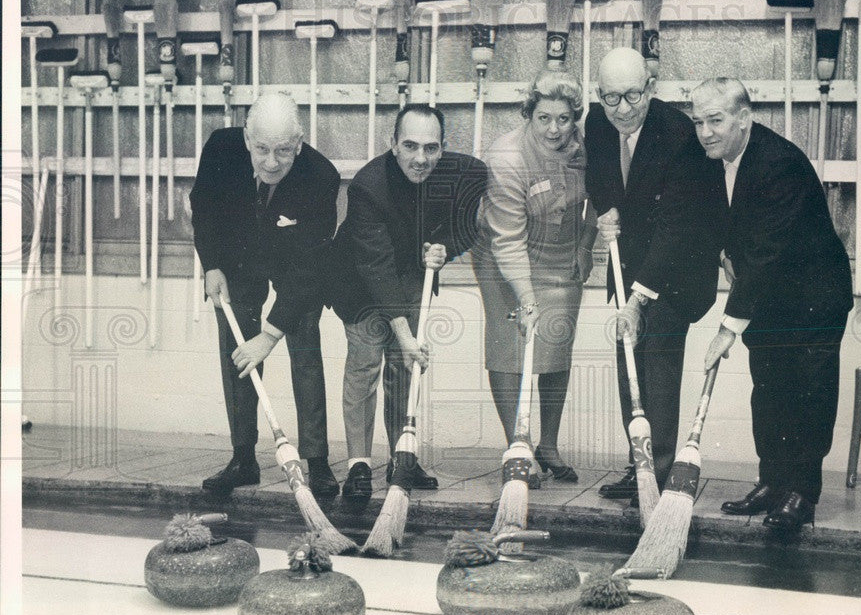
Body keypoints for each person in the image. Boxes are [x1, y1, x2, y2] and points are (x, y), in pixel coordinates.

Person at [692, 77, 853, 531]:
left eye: (716, 120)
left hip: (813, 299)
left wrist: (728, 327)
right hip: (769, 297)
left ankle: (801, 494)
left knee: (808, 393)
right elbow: (723, 215)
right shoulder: (719, 158)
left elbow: (769, 249)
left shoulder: (777, 162)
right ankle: (772, 483)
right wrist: (726, 251)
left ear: (743, 119)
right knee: (770, 392)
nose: (705, 131)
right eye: (699, 121)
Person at [585, 47, 727, 505]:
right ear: (599, 96)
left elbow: (677, 225)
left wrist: (638, 297)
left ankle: (660, 475)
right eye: (611, 98)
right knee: (630, 365)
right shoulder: (597, 122)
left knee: (658, 363)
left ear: (650, 89)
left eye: (632, 96)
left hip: (678, 268)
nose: (622, 109)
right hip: (630, 262)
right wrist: (606, 209)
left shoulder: (679, 135)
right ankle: (639, 466)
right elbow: (601, 178)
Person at [327, 105, 487, 503]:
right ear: (392, 144)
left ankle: (404, 457)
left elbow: (468, 226)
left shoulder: (465, 173)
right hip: (360, 278)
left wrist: (444, 248)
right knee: (366, 364)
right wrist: (403, 334)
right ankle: (359, 465)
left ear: (444, 148)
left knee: (404, 368)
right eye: (410, 146)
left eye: (431, 148)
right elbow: (376, 265)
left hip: (412, 272)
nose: (420, 158)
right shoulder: (367, 185)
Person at [190, 92, 340, 498]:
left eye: (283, 151)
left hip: (296, 267)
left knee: (305, 346)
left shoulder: (321, 177)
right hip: (237, 259)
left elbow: (310, 267)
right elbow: (201, 205)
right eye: (261, 150)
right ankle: (243, 458)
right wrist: (212, 265)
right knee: (238, 350)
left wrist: (270, 335)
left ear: (300, 142)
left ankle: (318, 461)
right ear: (246, 140)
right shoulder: (221, 147)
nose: (271, 162)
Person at [472, 69, 597, 485]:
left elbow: (601, 197)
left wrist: (583, 247)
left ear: (574, 118)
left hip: (561, 250)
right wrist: (526, 298)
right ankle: (518, 447)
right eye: (544, 118)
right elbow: (507, 239)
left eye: (563, 119)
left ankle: (549, 446)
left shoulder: (583, 148)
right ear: (529, 114)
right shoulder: (507, 157)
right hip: (503, 255)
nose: (554, 129)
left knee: (556, 345)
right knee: (513, 346)